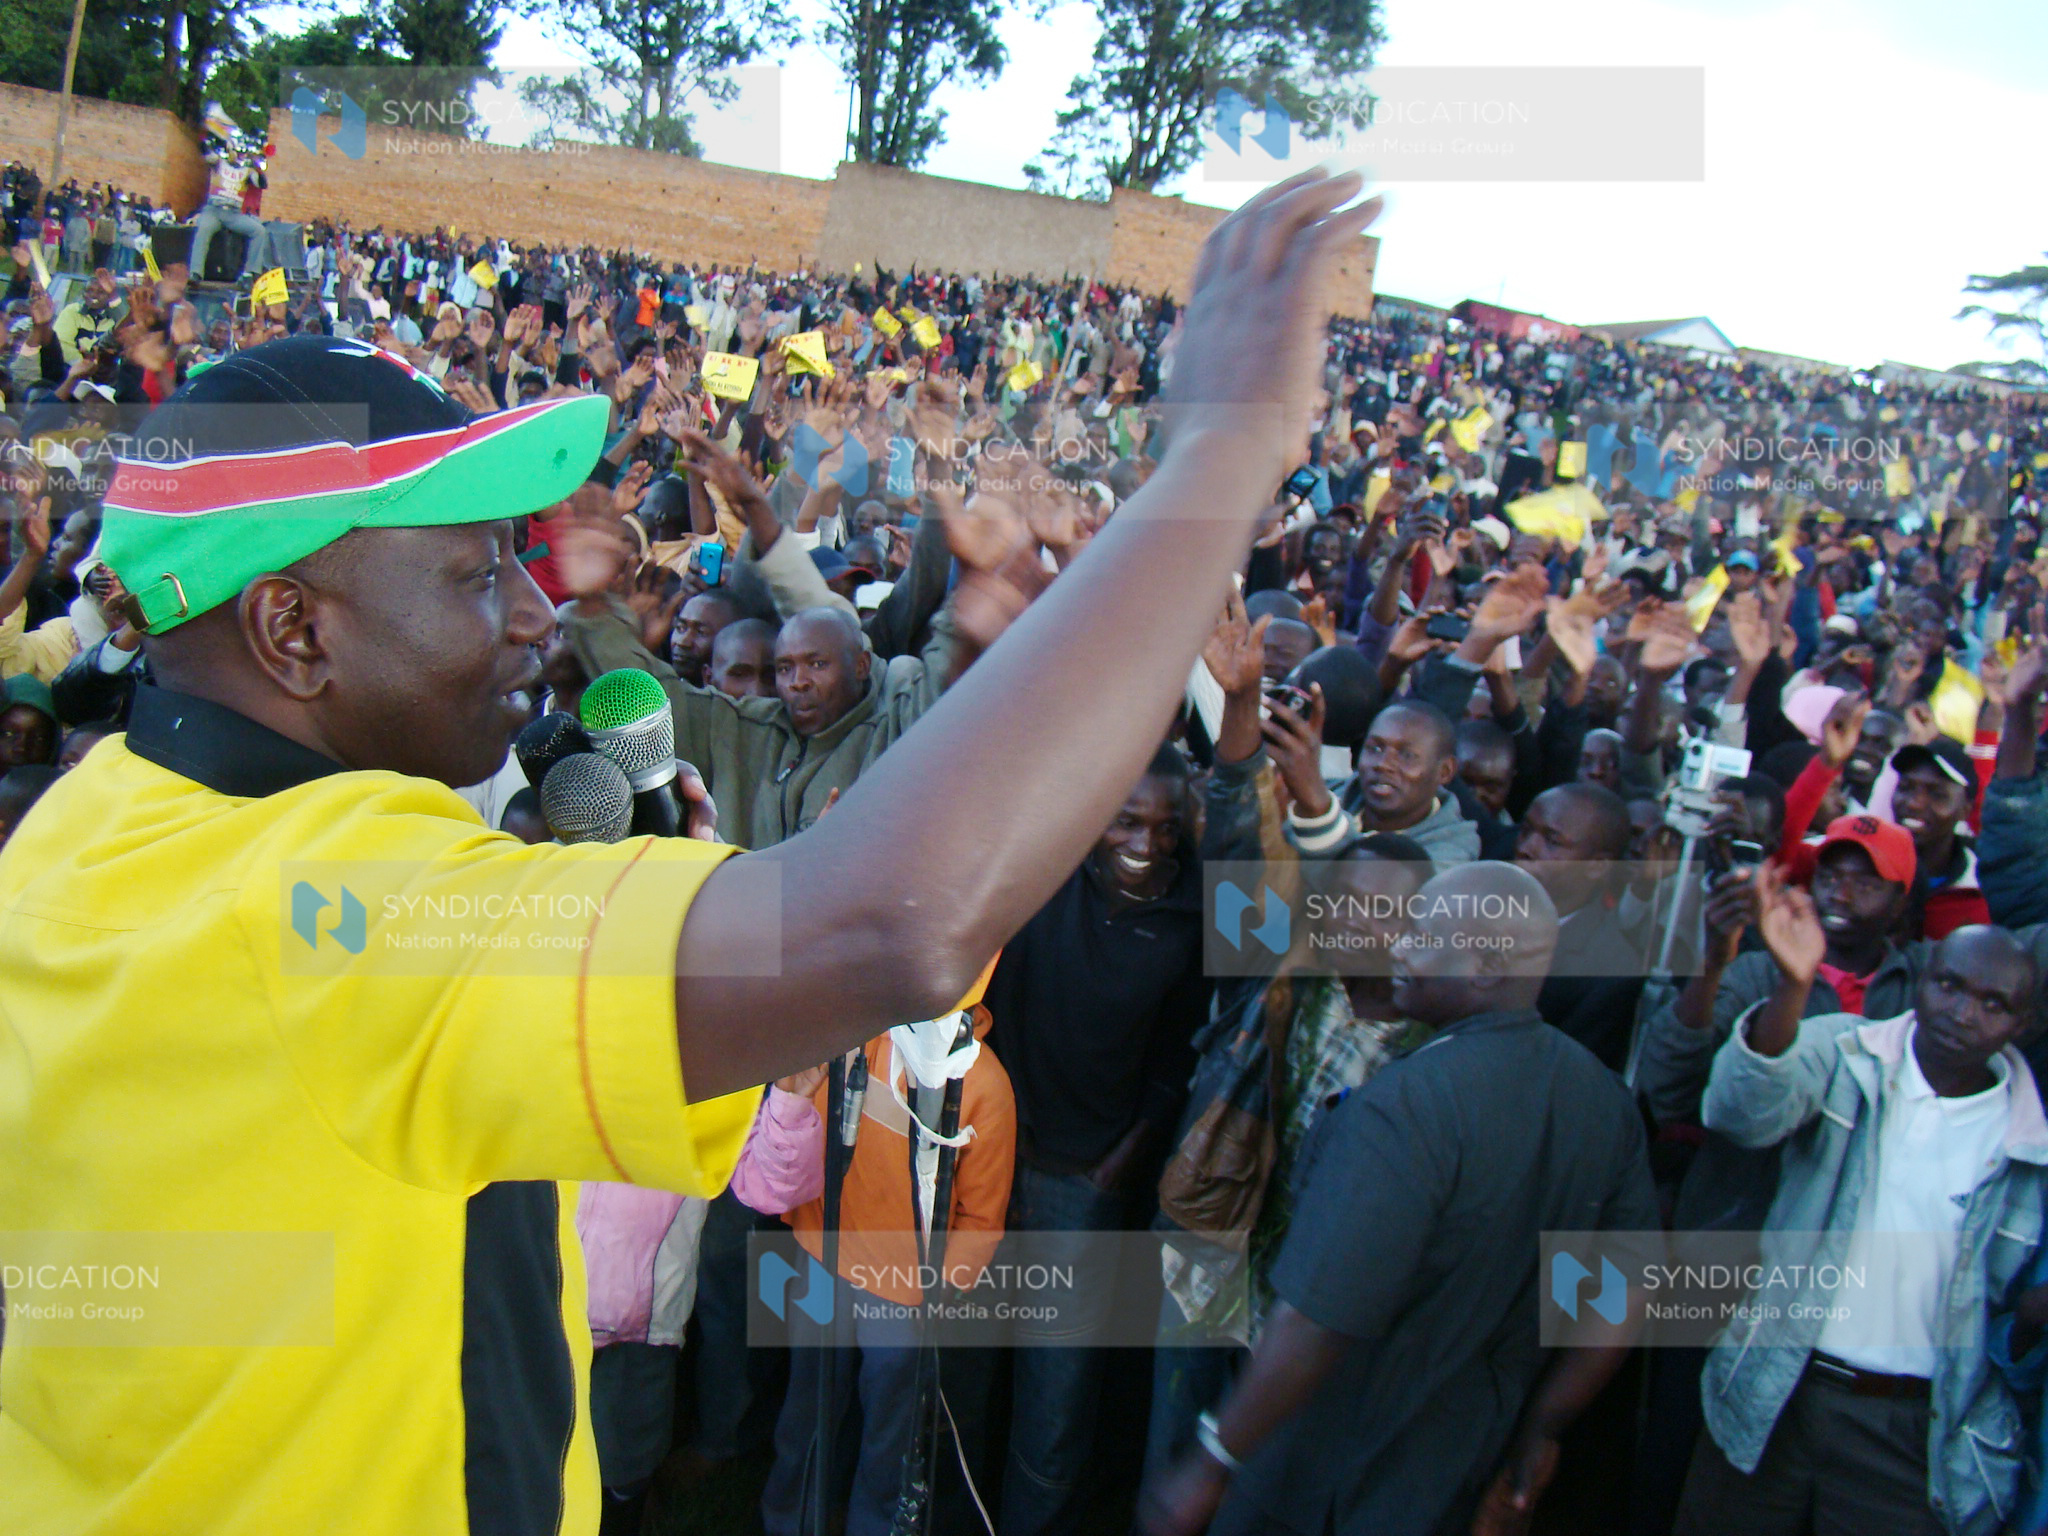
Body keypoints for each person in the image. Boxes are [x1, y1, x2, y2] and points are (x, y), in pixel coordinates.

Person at [0, 173, 1384, 1532]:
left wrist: (963, 651)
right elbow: (886, 929)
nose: (533, 623)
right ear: (296, 632)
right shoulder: (322, 917)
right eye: (477, 575)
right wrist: (1221, 458)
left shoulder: (94, 829)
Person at [1140, 863, 1660, 1536]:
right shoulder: (1605, 1104)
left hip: (1320, 1472)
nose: (1401, 948)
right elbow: (1622, 1295)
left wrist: (1212, 1459)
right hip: (1458, 1473)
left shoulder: (1401, 1105)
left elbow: (1317, 1316)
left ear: (1487, 963)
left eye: (1421, 932)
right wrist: (1542, 1430)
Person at [1674, 868, 2048, 1536]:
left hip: (1911, 1435)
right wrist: (1794, 986)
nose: (1963, 1012)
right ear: (1923, 976)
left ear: (2022, 1024)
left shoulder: (2030, 1150)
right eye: (1950, 985)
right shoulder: (1847, 1052)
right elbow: (1740, 1113)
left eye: (1992, 1004)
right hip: (1777, 1394)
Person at [988, 745, 1210, 1536]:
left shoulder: (1193, 918)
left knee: (1058, 1387)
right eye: (1126, 821)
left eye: (1166, 827)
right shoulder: (1041, 875)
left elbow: (1182, 1049)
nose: (1145, 844)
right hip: (987, 1154)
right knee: (967, 1357)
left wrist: (1129, 1152)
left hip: (1086, 1175)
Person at [189, 151, 273, 284]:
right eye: (236, 152)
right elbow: (207, 155)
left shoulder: (248, 171)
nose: (238, 156)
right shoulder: (219, 163)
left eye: (241, 154)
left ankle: (251, 273)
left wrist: (257, 166)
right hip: (213, 210)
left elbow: (262, 184)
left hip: (234, 214)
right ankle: (196, 273)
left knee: (259, 230)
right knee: (203, 229)